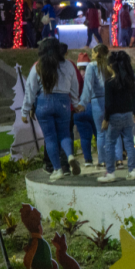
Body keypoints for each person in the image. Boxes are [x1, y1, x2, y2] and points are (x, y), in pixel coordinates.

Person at [21, 39, 83, 181]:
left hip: (44, 102)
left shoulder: (38, 66)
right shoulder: (68, 65)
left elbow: (30, 90)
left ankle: (57, 169)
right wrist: (75, 103)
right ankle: (70, 156)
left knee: (50, 138)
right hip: (63, 103)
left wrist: (25, 112)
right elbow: (74, 86)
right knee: (65, 134)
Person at [97, 50, 135, 182]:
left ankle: (110, 173)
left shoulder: (109, 83)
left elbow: (108, 104)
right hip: (128, 115)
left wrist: (106, 119)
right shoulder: (129, 81)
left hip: (114, 118)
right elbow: (134, 97)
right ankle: (133, 171)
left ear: (111, 66)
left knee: (110, 144)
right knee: (129, 143)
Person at [76, 43, 109, 168]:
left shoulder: (91, 67)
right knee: (111, 131)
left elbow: (88, 87)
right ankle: (118, 160)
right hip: (109, 100)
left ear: (97, 53)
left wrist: (82, 103)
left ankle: (102, 160)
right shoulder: (108, 65)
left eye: (93, 52)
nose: (92, 54)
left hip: (96, 102)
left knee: (100, 133)